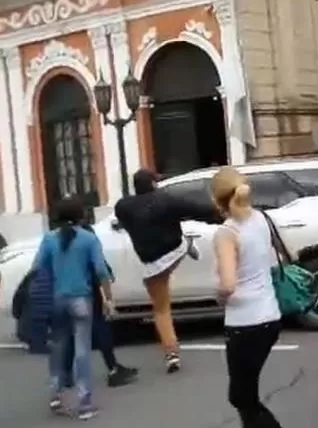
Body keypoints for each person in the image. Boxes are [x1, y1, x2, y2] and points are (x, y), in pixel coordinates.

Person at [113, 169, 221, 373]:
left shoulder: (123, 207)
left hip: (151, 262)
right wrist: (219, 214)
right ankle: (187, 243)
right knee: (162, 305)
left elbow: (125, 220)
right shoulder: (166, 200)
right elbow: (197, 209)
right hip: (173, 249)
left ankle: (171, 354)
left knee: (161, 310)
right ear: (154, 184)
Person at [211, 167, 283, 428]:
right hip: (269, 315)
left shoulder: (227, 233)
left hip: (244, 323)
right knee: (244, 395)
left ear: (216, 199)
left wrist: (218, 294)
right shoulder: (261, 218)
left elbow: (228, 284)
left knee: (242, 396)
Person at [32, 197, 114, 420]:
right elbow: (101, 271)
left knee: (58, 348)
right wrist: (108, 299)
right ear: (81, 216)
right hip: (81, 299)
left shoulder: (49, 239)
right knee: (82, 351)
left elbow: (38, 268)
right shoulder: (88, 239)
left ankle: (56, 395)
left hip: (57, 299)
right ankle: (84, 403)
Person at [59, 220, 138, 388]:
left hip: (62, 292)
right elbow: (100, 267)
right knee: (100, 326)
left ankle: (65, 374)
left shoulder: (53, 238)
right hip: (87, 290)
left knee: (70, 332)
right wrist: (108, 299)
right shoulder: (87, 235)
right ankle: (113, 369)